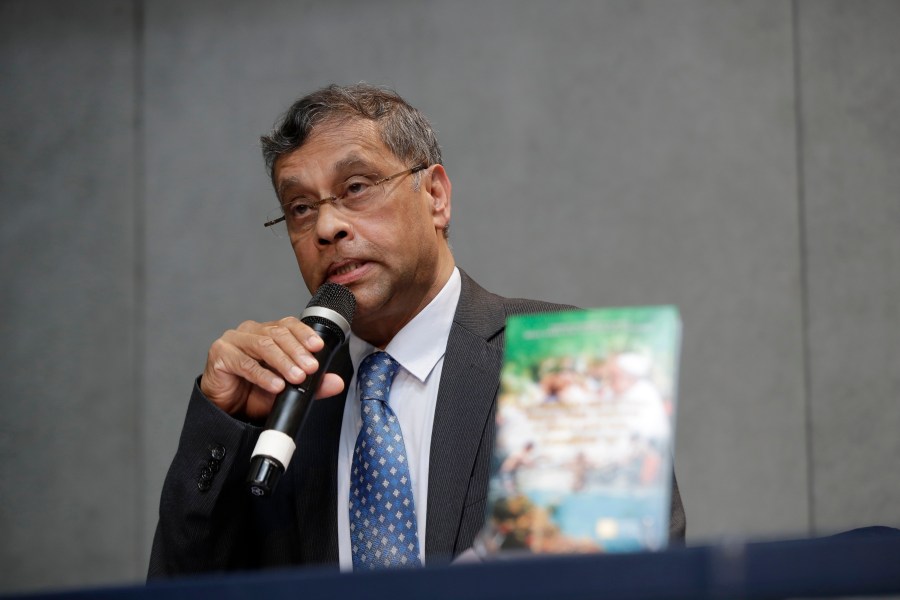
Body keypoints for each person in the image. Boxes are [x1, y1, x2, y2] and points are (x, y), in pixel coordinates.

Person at [148, 83, 686, 577]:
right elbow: (176, 591)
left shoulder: (566, 356)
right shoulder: (283, 405)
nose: (327, 227)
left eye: (356, 187)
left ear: (435, 196)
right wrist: (221, 424)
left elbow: (632, 580)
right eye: (300, 208)